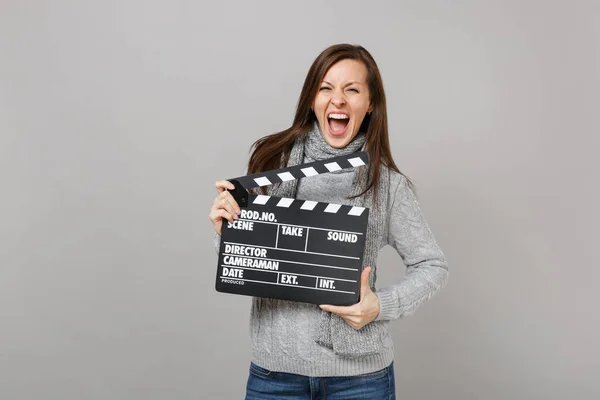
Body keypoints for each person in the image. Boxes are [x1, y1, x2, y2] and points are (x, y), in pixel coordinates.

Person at [209, 43, 449, 400]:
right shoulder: (271, 167)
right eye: (326, 88)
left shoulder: (388, 187)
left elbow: (433, 266)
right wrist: (226, 232)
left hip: (360, 380)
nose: (338, 99)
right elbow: (250, 263)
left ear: (370, 105)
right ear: (312, 100)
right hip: (276, 373)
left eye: (351, 89)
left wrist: (380, 306)